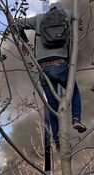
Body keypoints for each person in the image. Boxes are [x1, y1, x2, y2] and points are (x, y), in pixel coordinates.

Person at [15, 1, 86, 150]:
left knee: (52, 107)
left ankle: (57, 141)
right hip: (60, 65)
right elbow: (77, 21)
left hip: (43, 68)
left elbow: (16, 24)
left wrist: (25, 41)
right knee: (74, 92)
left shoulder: (39, 18)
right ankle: (76, 119)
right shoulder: (67, 15)